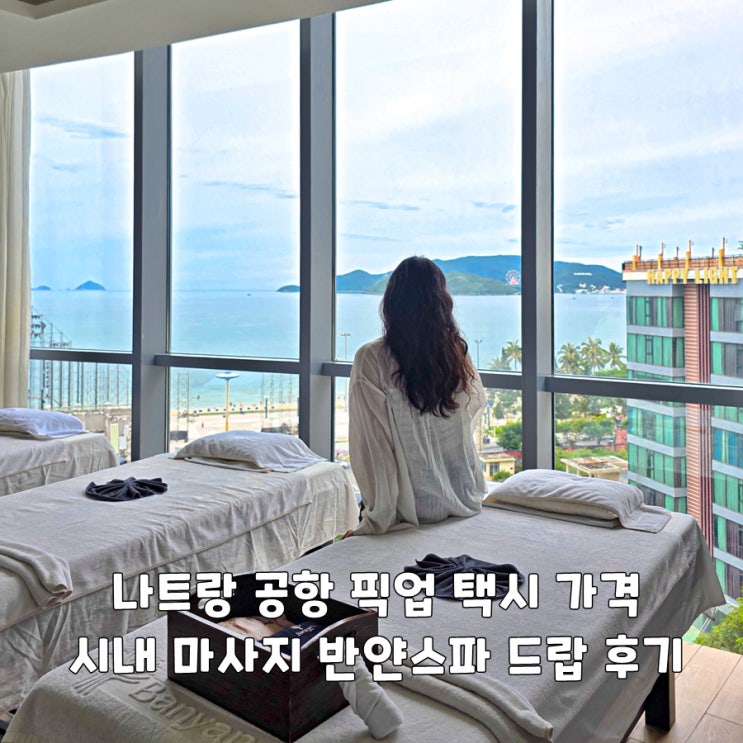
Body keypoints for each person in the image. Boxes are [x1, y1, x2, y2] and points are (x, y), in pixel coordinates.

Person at [348, 256, 488, 535]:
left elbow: (374, 447)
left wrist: (377, 519)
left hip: (408, 509)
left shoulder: (372, 358)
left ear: (391, 302)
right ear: (442, 303)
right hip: (463, 498)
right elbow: (467, 424)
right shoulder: (455, 354)